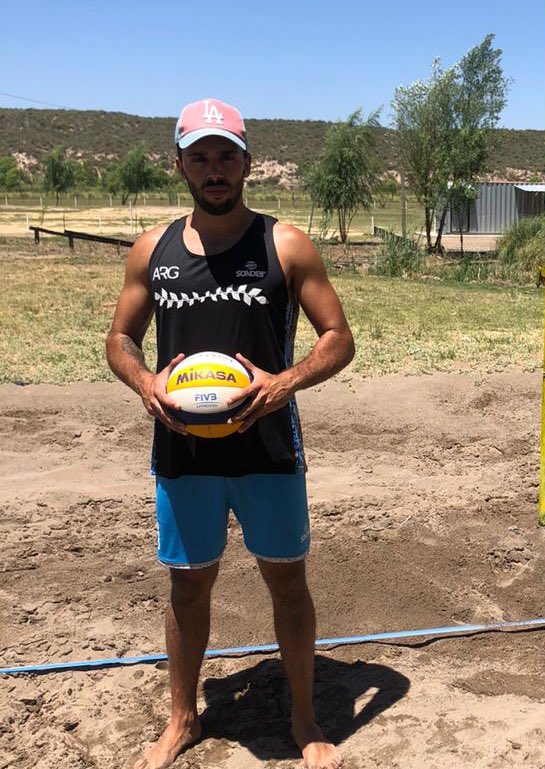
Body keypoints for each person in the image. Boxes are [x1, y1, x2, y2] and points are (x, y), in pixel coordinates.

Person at [106, 98, 355, 769]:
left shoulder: (284, 244)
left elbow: (339, 338)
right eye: (200, 156)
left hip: (268, 452)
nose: (214, 170)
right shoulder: (152, 250)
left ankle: (304, 718)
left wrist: (281, 384)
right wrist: (146, 383)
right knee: (188, 586)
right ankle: (182, 717)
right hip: (183, 454)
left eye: (226, 156)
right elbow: (120, 338)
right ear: (178, 162)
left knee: (287, 583)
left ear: (247, 162)